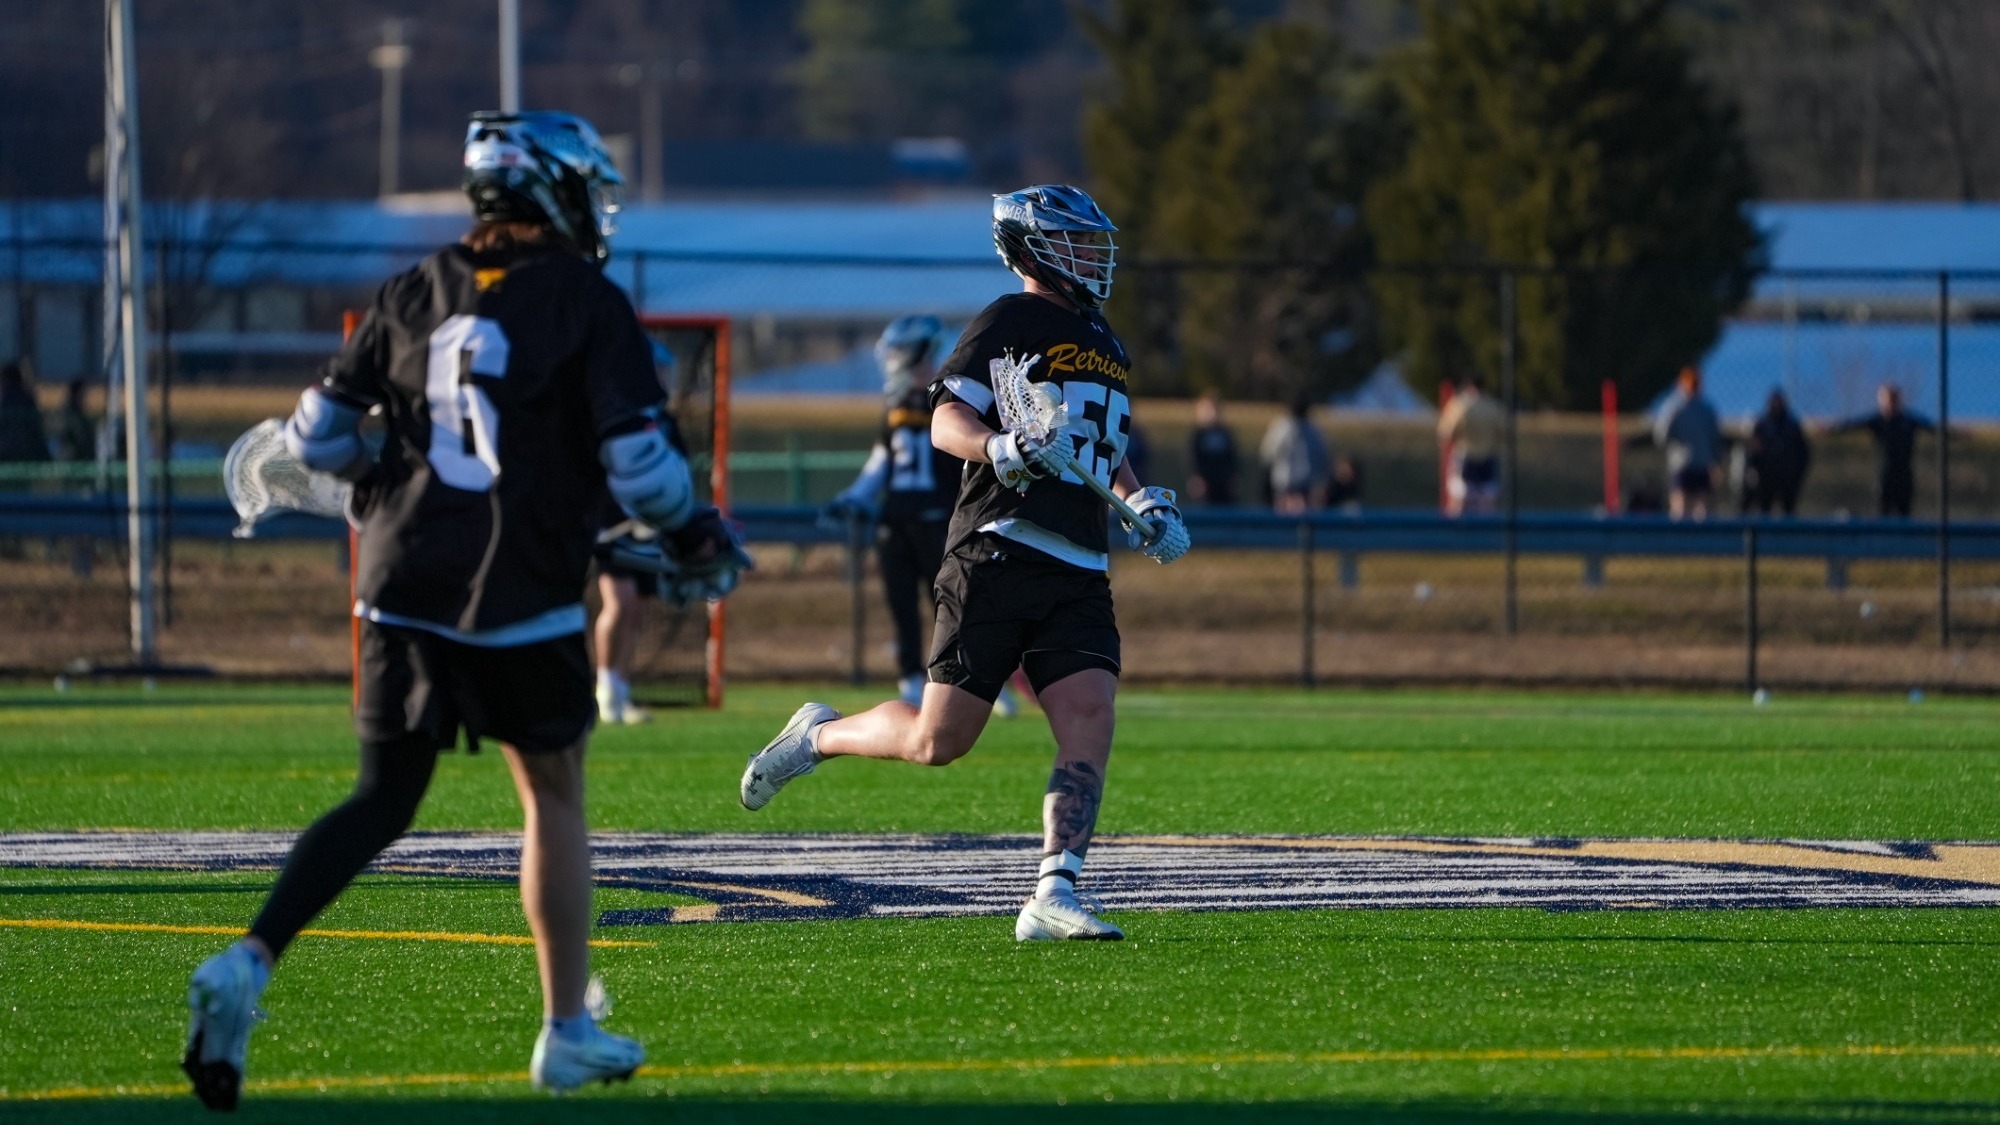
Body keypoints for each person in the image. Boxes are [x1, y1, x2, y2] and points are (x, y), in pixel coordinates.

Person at [179, 110, 749, 1110]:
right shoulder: (583, 298)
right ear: (552, 191)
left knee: (381, 800)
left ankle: (248, 961)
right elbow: (641, 468)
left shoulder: (411, 287)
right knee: (553, 795)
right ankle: (565, 1031)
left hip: (399, 583)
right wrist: (696, 531)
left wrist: (374, 481)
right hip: (518, 586)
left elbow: (314, 439)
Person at [738, 184, 1190, 943]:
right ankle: (817, 735)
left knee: (1089, 714)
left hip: (1079, 563)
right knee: (936, 741)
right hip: (999, 549)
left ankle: (1054, 891)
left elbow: (1103, 454)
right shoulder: (1010, 320)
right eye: (1077, 241)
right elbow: (947, 417)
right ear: (1034, 247)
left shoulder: (1105, 340)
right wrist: (999, 446)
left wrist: (1141, 504)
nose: (1092, 256)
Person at [591, 340, 683, 726]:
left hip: (651, 528)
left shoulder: (663, 420)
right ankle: (603, 688)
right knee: (619, 601)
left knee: (637, 608)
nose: (662, 379)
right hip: (614, 527)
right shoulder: (614, 416)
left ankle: (621, 689)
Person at [1828, 383, 1935, 518]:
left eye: (1893, 399)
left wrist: (1959, 435)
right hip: (1885, 475)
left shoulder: (1908, 421)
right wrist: (1829, 429)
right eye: (1886, 399)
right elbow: (1851, 424)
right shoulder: (1878, 421)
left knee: (1905, 512)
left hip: (1904, 475)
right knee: (1883, 511)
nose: (1890, 404)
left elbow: (1933, 428)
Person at [1653, 366, 1722, 521]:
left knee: (1704, 511)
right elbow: (1661, 436)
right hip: (1682, 466)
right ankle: (1680, 543)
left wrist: (1715, 463)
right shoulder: (1674, 408)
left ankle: (1702, 543)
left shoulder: (1707, 409)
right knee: (1681, 509)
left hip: (1702, 465)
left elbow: (1715, 439)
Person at [1435, 374, 1505, 516]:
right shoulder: (1493, 407)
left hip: (1466, 455)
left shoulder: (1459, 405)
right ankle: (1486, 533)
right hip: (1488, 456)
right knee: (1487, 501)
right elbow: (1503, 433)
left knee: (1459, 498)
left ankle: (1458, 533)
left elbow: (1446, 433)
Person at [1742, 389, 1810, 517]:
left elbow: (1803, 451)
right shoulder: (1763, 425)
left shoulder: (1792, 425)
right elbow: (1754, 449)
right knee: (1764, 508)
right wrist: (1753, 469)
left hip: (1788, 477)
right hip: (1766, 476)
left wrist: (1798, 473)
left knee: (1788, 510)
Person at [1260, 393, 1329, 514]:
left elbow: (1267, 454)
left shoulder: (1310, 431)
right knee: (1283, 519)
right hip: (1285, 485)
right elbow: (1268, 454)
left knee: (1303, 521)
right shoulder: (1283, 428)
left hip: (1303, 486)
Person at [1186, 391, 1239, 505]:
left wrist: (1233, 476)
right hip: (1205, 486)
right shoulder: (1198, 435)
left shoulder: (1225, 434)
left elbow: (1232, 457)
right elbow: (1192, 457)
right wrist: (1196, 477)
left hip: (1223, 485)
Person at [0, 361, 49, 463]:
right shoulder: (27, 399)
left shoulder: (6, 400)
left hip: (6, 454)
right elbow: (37, 428)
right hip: (27, 454)